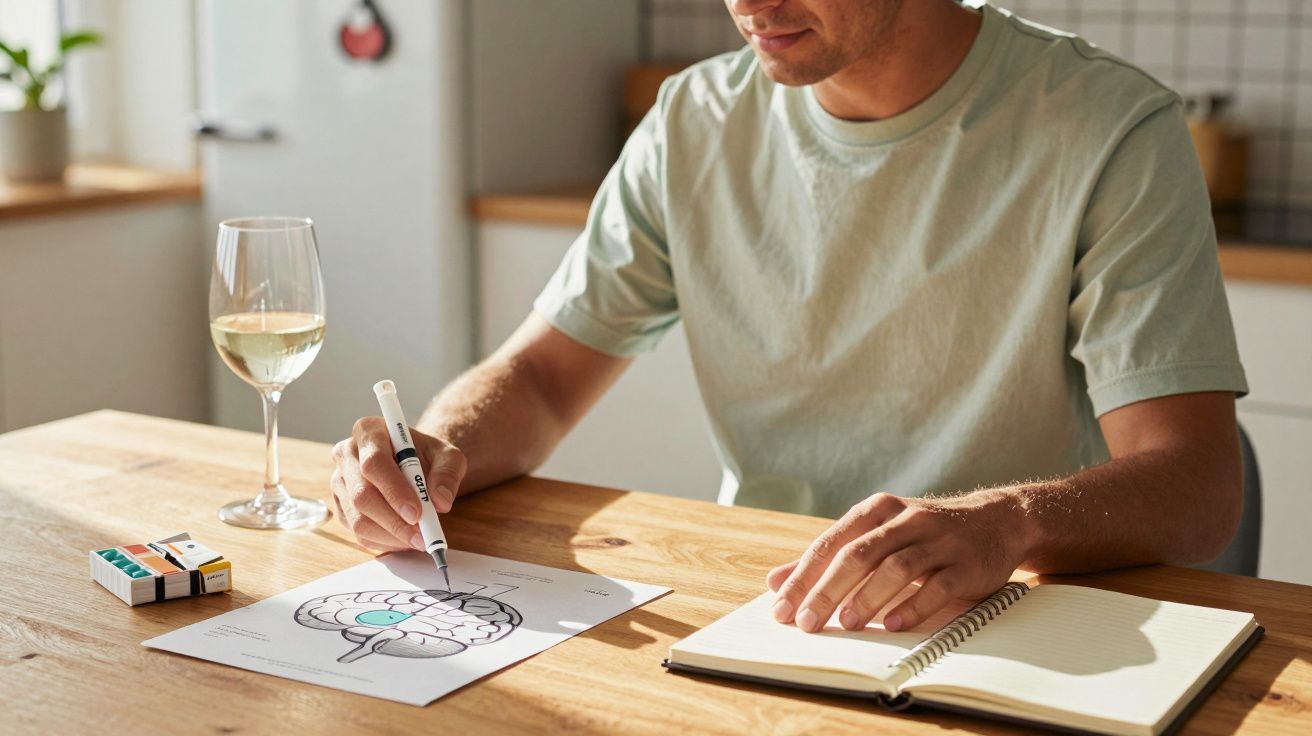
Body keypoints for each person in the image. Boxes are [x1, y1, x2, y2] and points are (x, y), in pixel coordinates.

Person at [332, 0, 1248, 636]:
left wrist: (1002, 524)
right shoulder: (690, 123)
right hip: (773, 613)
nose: (749, 5)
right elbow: (537, 379)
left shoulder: (1109, 128)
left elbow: (1200, 487)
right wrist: (434, 449)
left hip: (1023, 620)